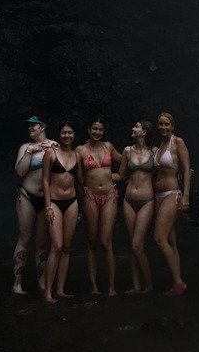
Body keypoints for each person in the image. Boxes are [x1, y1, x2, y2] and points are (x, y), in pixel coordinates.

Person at [153, 111, 192, 298]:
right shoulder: (159, 146)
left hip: (172, 194)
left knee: (159, 238)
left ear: (172, 126)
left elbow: (186, 170)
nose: (163, 127)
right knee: (170, 241)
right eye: (160, 124)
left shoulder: (178, 142)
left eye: (166, 124)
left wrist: (186, 197)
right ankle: (177, 280)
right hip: (158, 196)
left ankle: (178, 283)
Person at [79, 119, 120, 296]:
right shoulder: (80, 150)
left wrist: (120, 176)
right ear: (89, 129)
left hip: (110, 195)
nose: (97, 132)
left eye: (100, 129)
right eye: (94, 129)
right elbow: (78, 175)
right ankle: (94, 286)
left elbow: (127, 159)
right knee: (91, 241)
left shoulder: (108, 146)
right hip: (91, 196)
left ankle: (111, 286)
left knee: (106, 241)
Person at [12, 117, 52, 296]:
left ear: (42, 126)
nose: (29, 128)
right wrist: (29, 151)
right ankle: (17, 283)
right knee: (24, 238)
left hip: (46, 201)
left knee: (42, 242)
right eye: (28, 126)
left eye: (32, 125)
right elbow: (20, 172)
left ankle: (42, 283)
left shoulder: (54, 145)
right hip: (27, 196)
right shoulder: (25, 147)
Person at [117, 120, 157, 294]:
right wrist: (97, 177)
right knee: (133, 243)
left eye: (137, 127)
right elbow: (120, 174)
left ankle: (148, 286)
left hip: (147, 200)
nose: (133, 129)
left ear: (145, 131)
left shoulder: (154, 151)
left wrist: (183, 172)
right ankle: (136, 286)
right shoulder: (127, 150)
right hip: (128, 200)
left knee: (136, 245)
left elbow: (164, 170)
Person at [42, 123, 81, 304]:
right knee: (56, 246)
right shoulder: (51, 153)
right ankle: (48, 292)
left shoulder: (76, 155)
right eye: (64, 132)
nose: (67, 135)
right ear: (59, 135)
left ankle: (61, 289)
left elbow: (81, 179)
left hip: (72, 201)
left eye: (70, 132)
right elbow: (45, 180)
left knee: (66, 247)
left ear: (74, 135)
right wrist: (48, 206)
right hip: (55, 203)